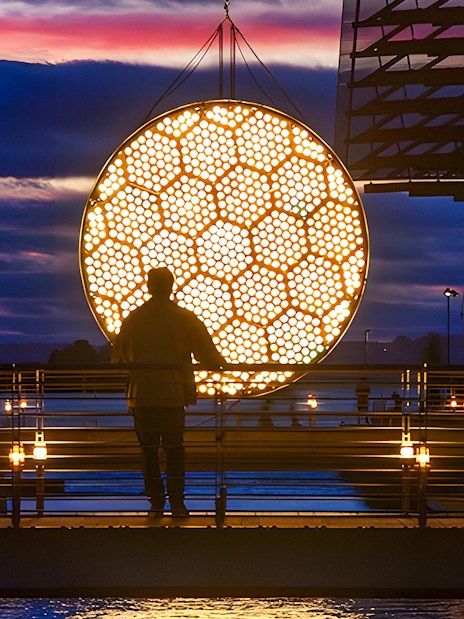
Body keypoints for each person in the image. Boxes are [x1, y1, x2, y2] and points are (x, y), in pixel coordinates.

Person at [112, 267, 224, 517]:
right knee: (175, 449)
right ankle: (177, 503)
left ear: (149, 286)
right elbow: (208, 356)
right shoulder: (184, 318)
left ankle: (156, 503)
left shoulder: (133, 319)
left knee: (148, 451)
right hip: (173, 394)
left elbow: (118, 356)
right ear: (172, 286)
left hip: (141, 395)